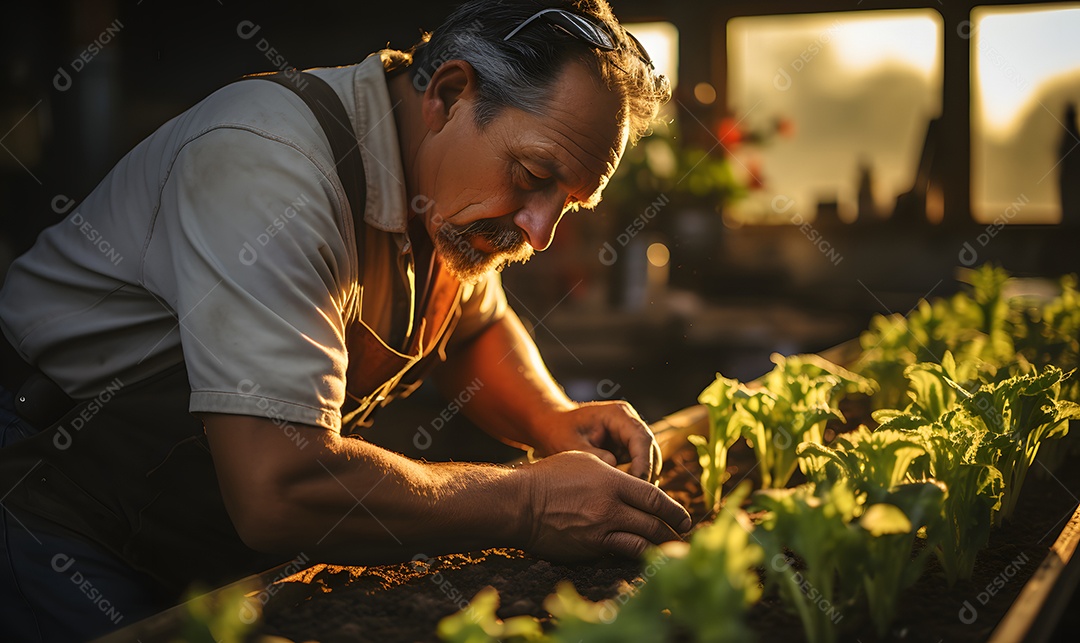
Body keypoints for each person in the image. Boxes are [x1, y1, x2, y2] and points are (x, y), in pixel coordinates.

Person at [0, 1, 690, 640]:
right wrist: (528, 504)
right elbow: (278, 486)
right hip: (55, 506)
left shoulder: (447, 191)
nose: (540, 233)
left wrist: (552, 418)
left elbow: (473, 326)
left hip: (195, 533)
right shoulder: (270, 168)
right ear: (449, 94)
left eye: (570, 201)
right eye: (534, 174)